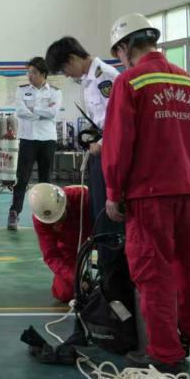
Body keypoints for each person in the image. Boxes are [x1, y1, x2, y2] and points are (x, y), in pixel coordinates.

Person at [103, 13, 190, 374]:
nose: (120, 60)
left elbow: (119, 145)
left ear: (125, 47)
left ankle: (166, 353)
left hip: (149, 193)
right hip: (189, 190)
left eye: (118, 53)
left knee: (154, 272)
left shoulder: (130, 82)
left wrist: (113, 192)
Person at [45, 36, 121, 262]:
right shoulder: (88, 80)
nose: (67, 75)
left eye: (64, 69)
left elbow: (120, 119)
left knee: (109, 216)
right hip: (99, 153)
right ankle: (106, 268)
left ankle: (114, 272)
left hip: (110, 154)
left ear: (73, 59)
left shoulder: (104, 77)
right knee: (98, 213)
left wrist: (103, 143)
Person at [9, 57, 62, 230]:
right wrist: (41, 113)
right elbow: (20, 112)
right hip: (28, 139)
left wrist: (33, 110)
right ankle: (14, 213)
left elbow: (53, 113)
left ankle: (47, 215)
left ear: (43, 74)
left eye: (34, 72)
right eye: (29, 72)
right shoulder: (22, 90)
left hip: (48, 140)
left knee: (45, 179)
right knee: (22, 179)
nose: (30, 75)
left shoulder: (55, 92)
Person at [29, 184, 92, 303]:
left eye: (60, 216)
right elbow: (51, 255)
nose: (58, 221)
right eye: (54, 221)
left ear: (65, 202)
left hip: (97, 234)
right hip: (70, 245)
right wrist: (75, 279)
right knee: (64, 292)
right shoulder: (41, 220)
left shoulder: (82, 196)